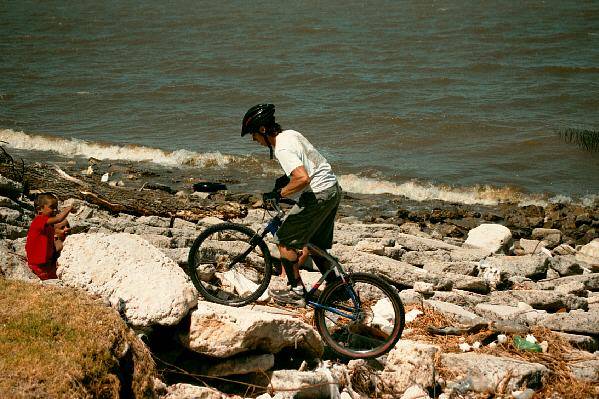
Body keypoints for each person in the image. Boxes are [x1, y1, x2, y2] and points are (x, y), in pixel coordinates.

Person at [241, 103, 341, 306]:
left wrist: (279, 194)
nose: (254, 139)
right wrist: (284, 181)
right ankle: (337, 287)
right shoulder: (291, 134)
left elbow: (302, 178)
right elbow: (308, 165)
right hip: (333, 190)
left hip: (318, 195)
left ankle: (297, 293)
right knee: (315, 245)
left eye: (254, 134)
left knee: (284, 240)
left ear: (262, 130)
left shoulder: (282, 147)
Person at [25, 193, 75, 280]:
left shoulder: (48, 226)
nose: (55, 210)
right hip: (38, 266)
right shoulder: (39, 220)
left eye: (56, 207)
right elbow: (59, 219)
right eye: (52, 207)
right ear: (39, 209)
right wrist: (69, 208)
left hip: (46, 265)